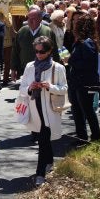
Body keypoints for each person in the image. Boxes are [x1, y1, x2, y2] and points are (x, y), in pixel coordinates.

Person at [18, 36, 67, 186]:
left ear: (50, 50)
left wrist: (50, 86)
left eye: (42, 51)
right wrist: (30, 88)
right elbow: (21, 89)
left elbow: (64, 89)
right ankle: (50, 161)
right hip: (35, 107)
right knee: (43, 138)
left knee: (43, 139)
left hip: (50, 109)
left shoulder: (58, 68)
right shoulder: (30, 66)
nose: (39, 54)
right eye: (36, 51)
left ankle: (40, 174)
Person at [67, 14, 100, 143]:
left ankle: (96, 136)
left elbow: (88, 64)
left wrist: (70, 61)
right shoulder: (82, 41)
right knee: (77, 109)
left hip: (84, 82)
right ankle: (81, 136)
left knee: (86, 109)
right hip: (77, 81)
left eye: (76, 24)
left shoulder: (87, 42)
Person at [10, 9, 60, 81]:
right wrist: (13, 69)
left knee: (43, 90)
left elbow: (54, 51)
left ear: (40, 19)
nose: (30, 21)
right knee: (27, 90)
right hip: (26, 69)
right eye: (29, 18)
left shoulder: (48, 31)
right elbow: (15, 51)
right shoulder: (22, 31)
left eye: (33, 18)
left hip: (45, 69)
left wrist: (56, 68)